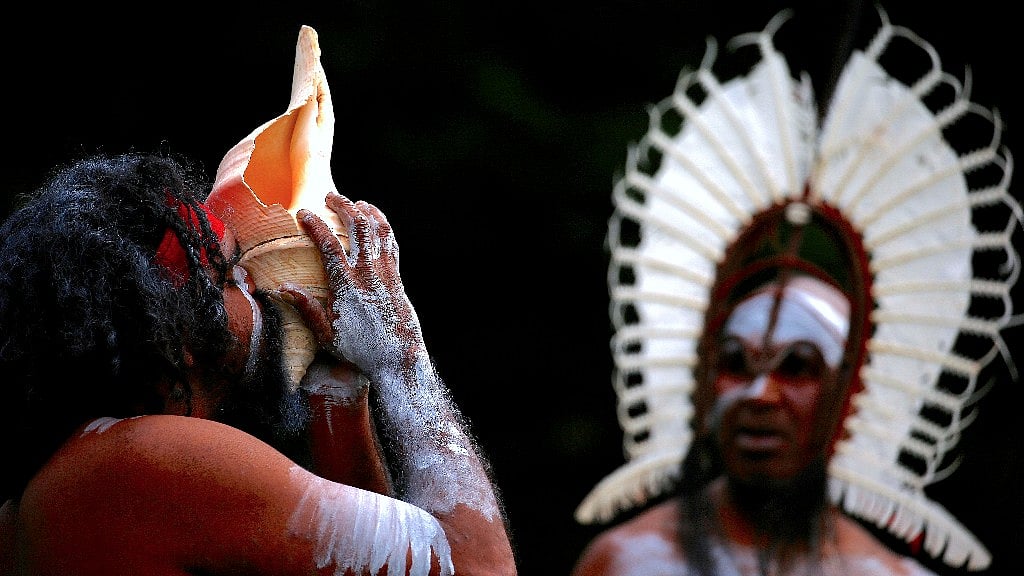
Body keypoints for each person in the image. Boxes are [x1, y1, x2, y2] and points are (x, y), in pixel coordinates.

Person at [571, 6, 1019, 576]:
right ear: (703, 380)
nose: (761, 394)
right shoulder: (627, 561)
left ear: (852, 393)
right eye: (736, 362)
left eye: (799, 367)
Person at [0, 150, 517, 575]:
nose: (253, 283)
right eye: (227, 276)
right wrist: (404, 360)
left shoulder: (76, 475)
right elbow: (479, 569)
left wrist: (335, 390)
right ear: (172, 334)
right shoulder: (147, 460)